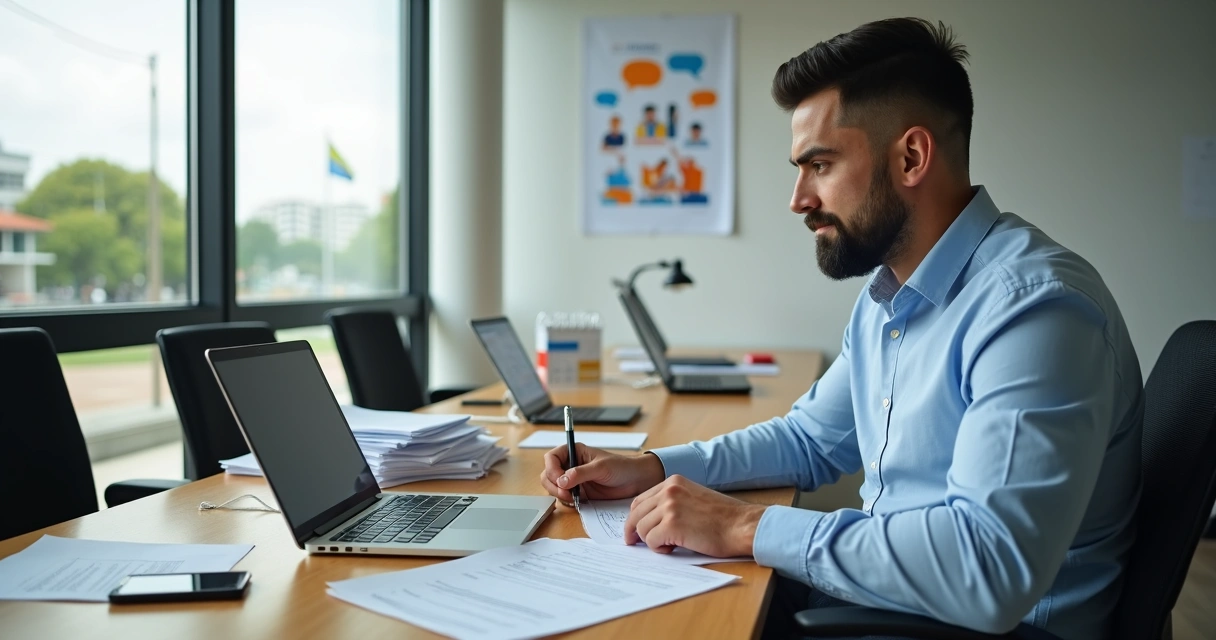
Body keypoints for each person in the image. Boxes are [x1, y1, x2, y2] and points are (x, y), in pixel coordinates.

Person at [541, 17, 1141, 640]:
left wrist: (741, 526)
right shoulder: (888, 296)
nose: (798, 198)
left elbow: (986, 572)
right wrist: (653, 467)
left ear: (911, 156)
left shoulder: (1035, 310)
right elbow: (811, 440)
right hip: (892, 603)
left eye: (819, 165)